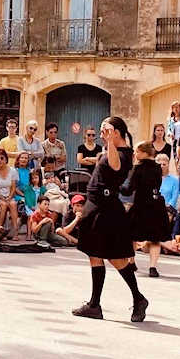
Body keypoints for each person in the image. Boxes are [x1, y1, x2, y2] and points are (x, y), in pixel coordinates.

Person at [71, 116, 148, 323]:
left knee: (116, 258)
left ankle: (139, 298)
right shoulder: (110, 150)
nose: (103, 131)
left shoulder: (124, 153)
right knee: (93, 254)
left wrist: (108, 143)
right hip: (94, 205)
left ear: (117, 132)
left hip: (107, 208)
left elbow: (115, 167)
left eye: (108, 128)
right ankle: (94, 305)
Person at [125, 142, 170, 276]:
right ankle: (153, 267)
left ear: (144, 153)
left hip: (140, 204)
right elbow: (157, 185)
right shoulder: (157, 168)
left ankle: (131, 261)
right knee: (155, 238)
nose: (135, 154)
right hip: (156, 205)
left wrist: (117, 187)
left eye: (137, 152)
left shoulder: (137, 168)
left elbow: (129, 189)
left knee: (131, 235)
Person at [0, 148, 21, 241]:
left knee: (13, 204)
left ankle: (16, 231)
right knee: (3, 205)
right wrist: (2, 197)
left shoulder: (12, 171)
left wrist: (9, 197)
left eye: (2, 158)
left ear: (6, 159)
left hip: (9, 196)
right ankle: (0, 230)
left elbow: (13, 187)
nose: (0, 160)